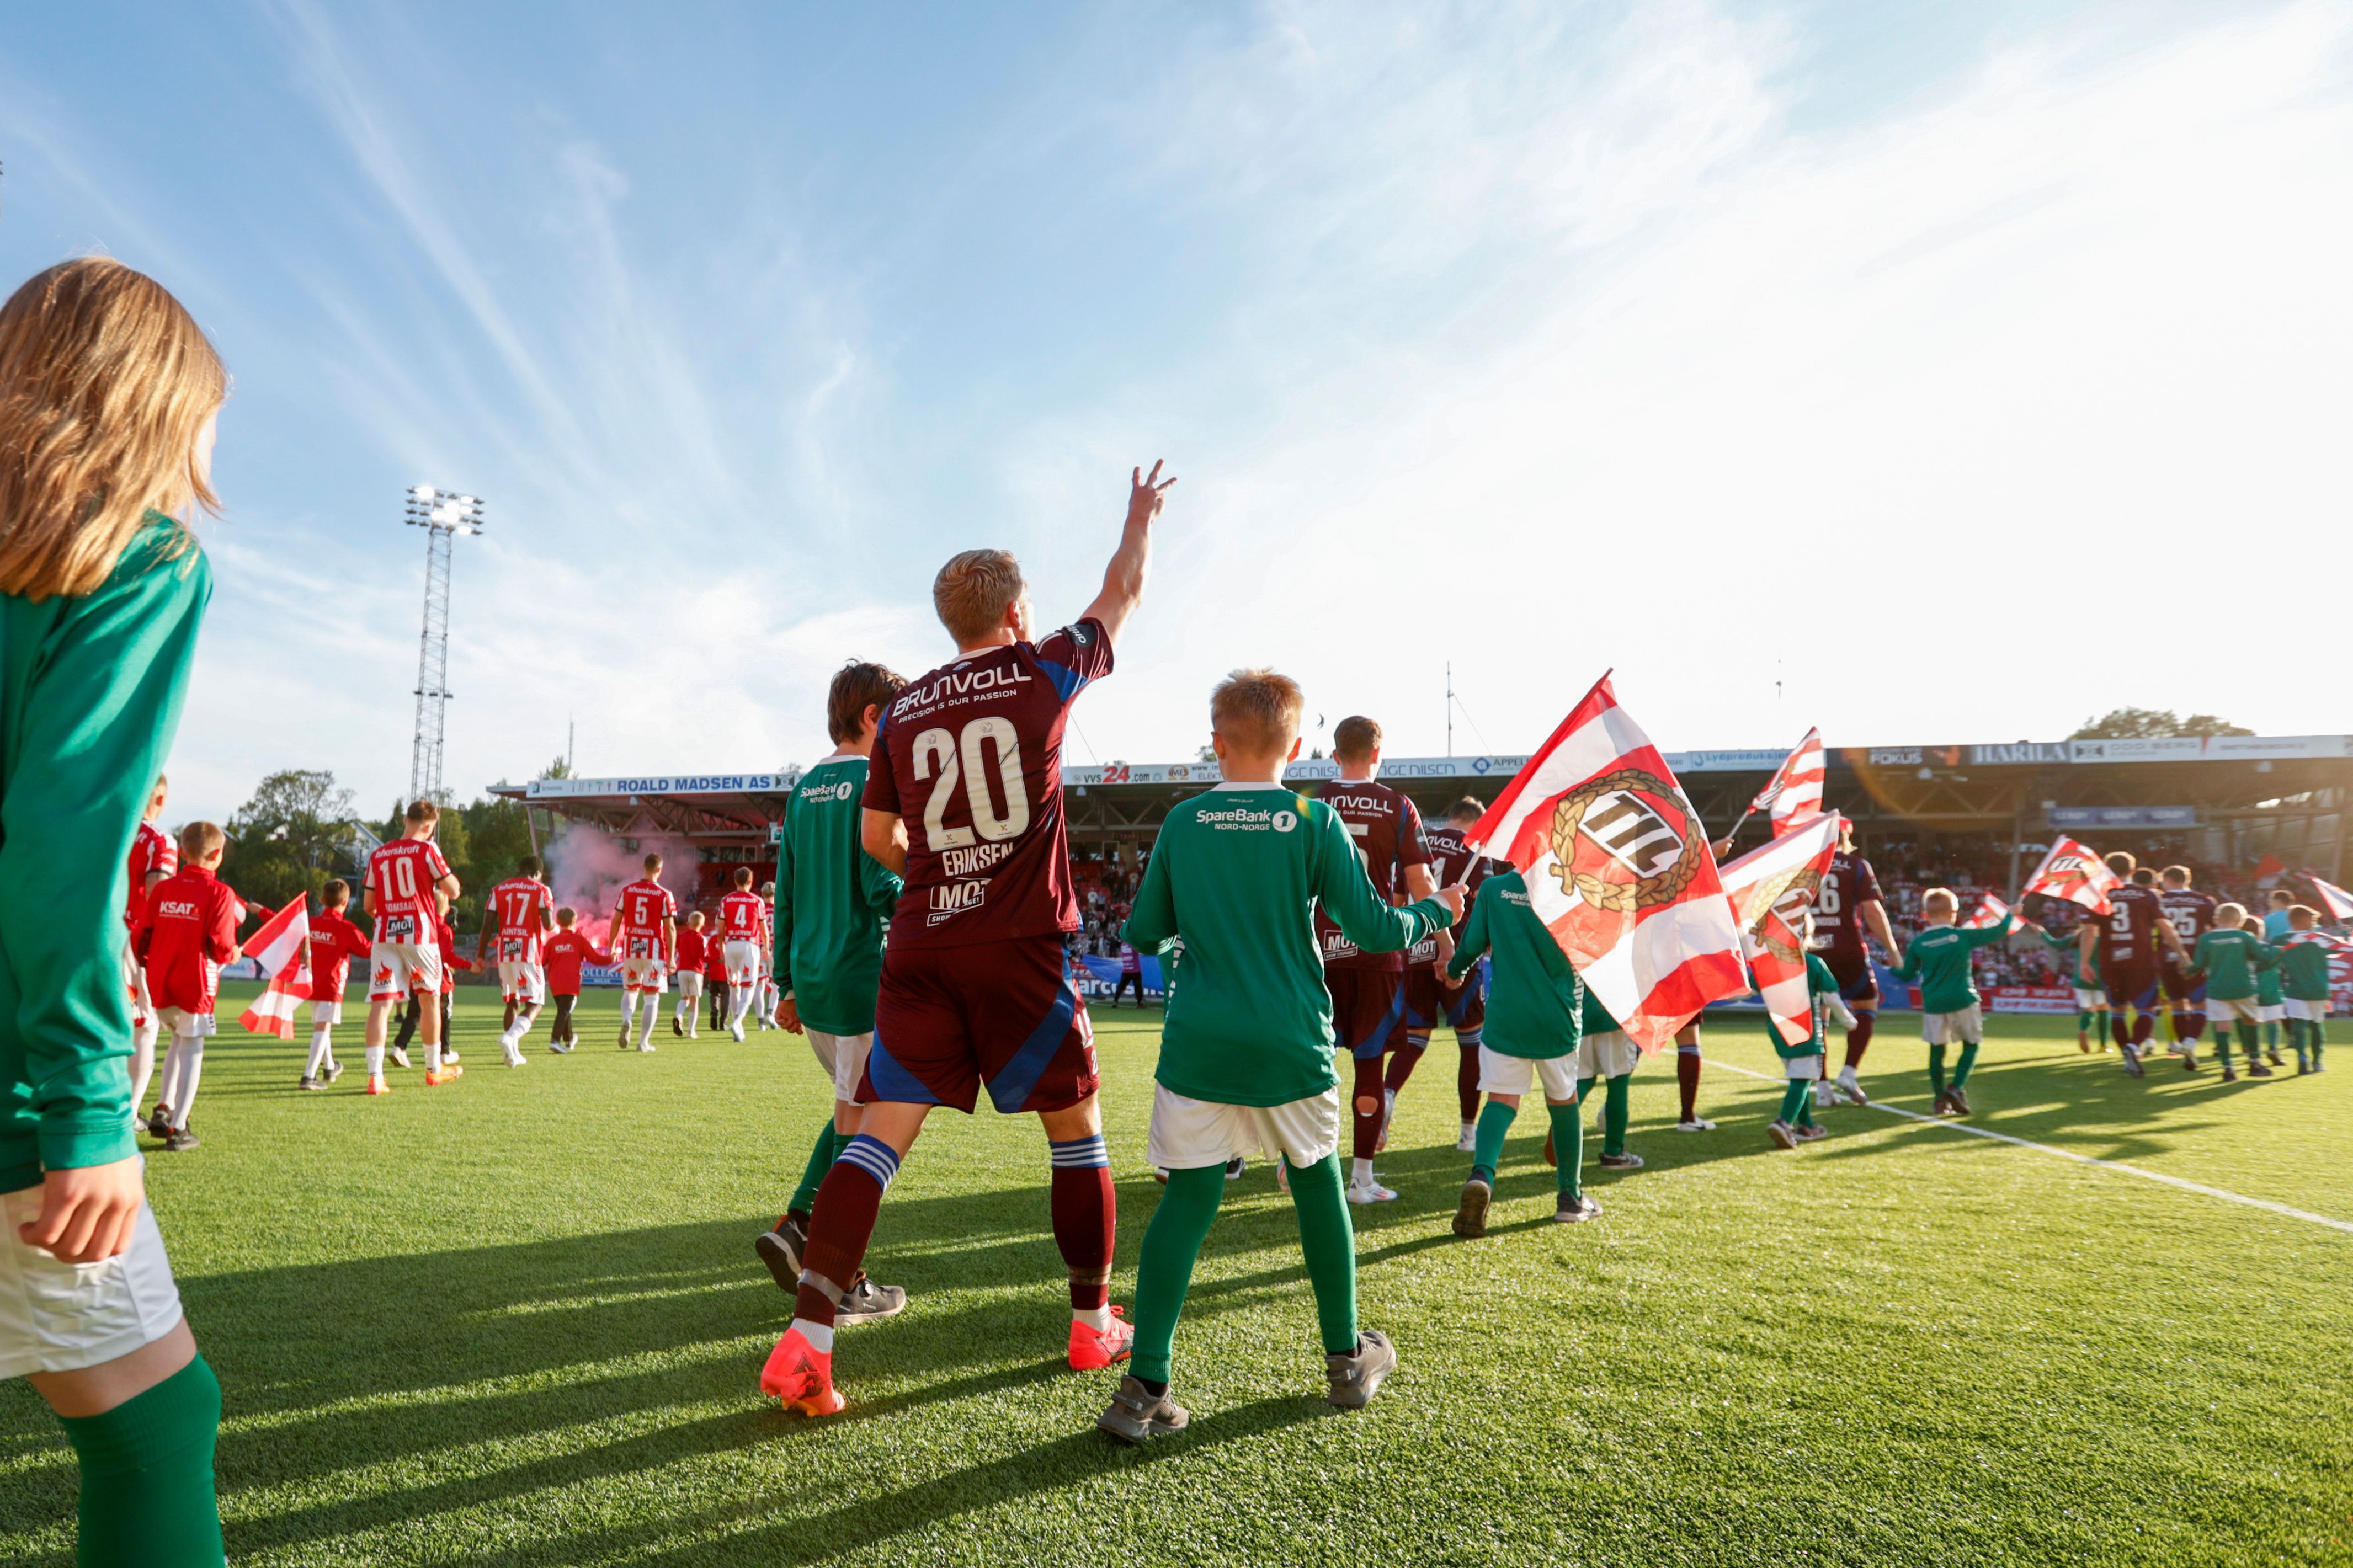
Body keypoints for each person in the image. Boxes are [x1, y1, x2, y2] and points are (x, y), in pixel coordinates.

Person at [762, 461, 1175, 1418]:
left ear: (949, 621)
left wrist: (942, 874)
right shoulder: (1040, 667)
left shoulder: (903, 709)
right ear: (1017, 611)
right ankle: (1090, 1321)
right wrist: (1139, 517)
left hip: (920, 945)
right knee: (1075, 1130)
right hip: (1019, 942)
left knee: (875, 1134)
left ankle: (809, 1338)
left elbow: (878, 837)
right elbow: (1123, 591)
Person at [0, 255, 226, 1560]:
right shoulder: (134, 556)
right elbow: (54, 847)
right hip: (16, 1081)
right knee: (155, 1425)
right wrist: (89, 1105)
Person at [1095, 668, 1455, 1442]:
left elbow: (1144, 932)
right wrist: (1435, 910)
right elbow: (1376, 928)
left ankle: (1144, 1386)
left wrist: (1199, 928)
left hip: (1201, 1039)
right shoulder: (1312, 819)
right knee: (1317, 1184)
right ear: (1295, 748)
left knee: (1188, 1200)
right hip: (1291, 1036)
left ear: (1216, 742)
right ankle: (1346, 1361)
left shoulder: (1183, 821)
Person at [756, 660, 909, 1330]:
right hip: (859, 976)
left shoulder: (804, 788)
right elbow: (881, 887)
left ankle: (804, 1231)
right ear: (873, 717)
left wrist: (786, 984)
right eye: (898, 718)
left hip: (815, 981)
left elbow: (785, 892)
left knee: (856, 1111)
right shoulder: (875, 781)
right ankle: (832, 1269)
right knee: (867, 1128)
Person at [1314, 716, 1439, 1203]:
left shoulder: (1311, 803)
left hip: (1317, 952)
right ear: (1377, 753)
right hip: (1378, 951)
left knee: (1312, 1060)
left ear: (1334, 754)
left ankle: (1297, 1160)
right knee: (1369, 1066)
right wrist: (1446, 943)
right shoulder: (1398, 805)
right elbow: (1421, 884)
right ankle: (1361, 1180)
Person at [1444, 858, 1590, 1236]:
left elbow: (1471, 945)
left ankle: (1482, 1176)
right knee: (1564, 1101)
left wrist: (1454, 971)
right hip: (1557, 1015)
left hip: (1506, 1016)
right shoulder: (1576, 887)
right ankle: (1570, 1198)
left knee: (1501, 1099)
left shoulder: (1494, 889)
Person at [136, 823, 246, 1151]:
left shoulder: (163, 890)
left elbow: (142, 935)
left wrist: (148, 964)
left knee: (176, 1040)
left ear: (182, 853)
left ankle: (164, 1107)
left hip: (161, 982)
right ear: (219, 855)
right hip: (196, 984)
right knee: (192, 1048)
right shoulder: (220, 893)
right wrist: (233, 953)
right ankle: (179, 1126)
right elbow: (221, 944)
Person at [1392, 796, 1492, 1153]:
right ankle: (1468, 1133)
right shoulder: (1476, 851)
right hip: (1457, 955)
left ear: (1451, 816)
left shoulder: (1419, 841)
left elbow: (1397, 902)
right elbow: (1483, 908)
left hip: (1413, 951)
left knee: (1414, 1038)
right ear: (1476, 822)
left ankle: (1386, 1096)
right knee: (1471, 1042)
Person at [364, 801, 462, 1090]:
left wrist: (391, 916)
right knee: (429, 1000)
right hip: (419, 934)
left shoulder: (378, 854)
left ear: (405, 820)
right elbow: (453, 891)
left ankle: (375, 1077)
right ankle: (434, 1069)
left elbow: (369, 905)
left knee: (381, 1005)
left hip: (385, 934)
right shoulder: (428, 849)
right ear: (430, 827)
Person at [1893, 888, 2013, 1115]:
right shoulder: (1962, 936)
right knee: (1972, 1044)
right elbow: (1999, 931)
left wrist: (1891, 968)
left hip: (1934, 1003)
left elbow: (1907, 975)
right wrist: (2011, 915)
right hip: (1962, 999)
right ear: (1953, 913)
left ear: (1925, 915)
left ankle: (1939, 1101)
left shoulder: (1919, 943)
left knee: (1937, 1050)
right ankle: (1956, 1087)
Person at [1807, 824, 1903, 1106]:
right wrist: (1893, 951)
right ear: (1846, 838)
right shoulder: (1856, 865)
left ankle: (1822, 1088)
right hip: (1848, 949)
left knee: (1818, 1018)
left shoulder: (1802, 865)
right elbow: (1872, 911)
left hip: (1811, 950)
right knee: (1866, 1004)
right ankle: (1849, 1073)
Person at [2083, 856, 2189, 1076]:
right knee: (2147, 1009)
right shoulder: (2146, 895)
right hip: (2141, 960)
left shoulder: (2098, 894)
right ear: (2132, 871)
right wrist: (2182, 954)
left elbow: (2090, 931)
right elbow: (2165, 926)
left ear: (2106, 870)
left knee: (2117, 1011)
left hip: (2110, 961)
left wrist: (2084, 962)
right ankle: (2133, 1047)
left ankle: (2127, 1057)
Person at [1766, 928, 1857, 1148]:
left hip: (1778, 1028)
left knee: (1800, 1076)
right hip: (1805, 1027)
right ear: (1807, 934)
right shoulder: (1814, 963)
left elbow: (1749, 988)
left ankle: (1806, 1124)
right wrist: (1848, 1021)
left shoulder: (1772, 963)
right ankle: (1784, 1122)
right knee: (1802, 1078)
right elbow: (1831, 998)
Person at [123, 774, 176, 1132]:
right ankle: (128, 1114)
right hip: (133, 939)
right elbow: (159, 889)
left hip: (89, 934)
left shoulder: (107, 831)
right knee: (145, 1025)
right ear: (160, 800)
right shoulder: (160, 840)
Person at [480, 855, 555, 1064]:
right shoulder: (541, 890)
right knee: (535, 1003)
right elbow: (548, 925)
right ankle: (510, 1038)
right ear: (537, 873)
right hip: (528, 951)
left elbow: (487, 925)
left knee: (512, 1001)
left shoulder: (499, 889)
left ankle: (511, 1053)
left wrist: (481, 955)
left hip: (505, 950)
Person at [2191, 903, 2277, 1081]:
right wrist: (2278, 952)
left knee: (2223, 1026)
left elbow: (2198, 965)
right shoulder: (2245, 936)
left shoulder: (2205, 939)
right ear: (2240, 921)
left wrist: (2186, 970)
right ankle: (2254, 1063)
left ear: (2216, 920)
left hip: (2217, 989)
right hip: (2244, 988)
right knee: (2251, 1021)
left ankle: (2228, 1068)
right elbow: (2262, 957)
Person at [301, 879, 374, 1089]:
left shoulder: (310, 923)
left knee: (323, 1025)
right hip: (331, 985)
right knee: (323, 1027)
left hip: (311, 984)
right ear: (346, 903)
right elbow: (367, 950)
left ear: (322, 900)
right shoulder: (345, 928)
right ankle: (308, 1077)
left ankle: (329, 1067)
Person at [610, 854, 678, 1052]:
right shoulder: (664, 894)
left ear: (643, 867)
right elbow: (670, 928)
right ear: (659, 870)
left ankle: (627, 1018)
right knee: (652, 997)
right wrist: (671, 957)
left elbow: (616, 920)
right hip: (653, 951)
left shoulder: (627, 890)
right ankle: (643, 1043)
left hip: (632, 947)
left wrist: (612, 946)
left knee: (631, 990)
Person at [2157, 866, 2218, 1053]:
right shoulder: (2204, 901)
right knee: (2199, 1004)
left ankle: (2184, 1043)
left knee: (2177, 1004)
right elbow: (2215, 930)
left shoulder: (2159, 900)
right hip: (2195, 959)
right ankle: (2190, 1043)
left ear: (2168, 880)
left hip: (2166, 958)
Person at [2032, 908, 2107, 1053]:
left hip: (2081, 979)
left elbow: (2055, 944)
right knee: (2104, 1009)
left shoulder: (2077, 938)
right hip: (2100, 979)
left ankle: (2083, 1030)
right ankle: (2103, 1045)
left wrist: (2042, 932)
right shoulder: (2103, 940)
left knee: (2088, 1009)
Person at [2274, 905, 2336, 1073]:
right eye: (2313, 919)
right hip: (2318, 989)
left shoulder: (2281, 940)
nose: (2315, 923)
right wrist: (2346, 933)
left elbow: (2268, 955)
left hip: (2295, 989)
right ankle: (2317, 1062)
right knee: (2316, 1025)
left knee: (2299, 1024)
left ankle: (2302, 1058)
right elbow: (2341, 947)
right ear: (2305, 920)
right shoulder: (2320, 939)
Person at [540, 908, 607, 1054]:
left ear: (557, 921)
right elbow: (595, 959)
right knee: (565, 1011)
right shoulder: (579, 940)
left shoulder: (552, 942)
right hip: (570, 982)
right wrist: (611, 958)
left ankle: (569, 1040)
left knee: (564, 1010)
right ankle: (555, 1040)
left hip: (555, 982)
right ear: (574, 921)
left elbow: (541, 961)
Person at [717, 865, 769, 1042]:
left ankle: (737, 1025)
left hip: (731, 945)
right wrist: (766, 948)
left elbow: (720, 930)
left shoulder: (726, 900)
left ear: (735, 881)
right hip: (749, 946)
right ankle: (738, 1021)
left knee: (734, 986)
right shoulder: (757, 901)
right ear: (751, 881)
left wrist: (722, 949)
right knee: (749, 987)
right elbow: (764, 930)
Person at [673, 911, 709, 1038]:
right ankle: (691, 1031)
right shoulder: (702, 939)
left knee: (685, 998)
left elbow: (674, 949)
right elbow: (705, 956)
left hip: (682, 970)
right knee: (694, 1000)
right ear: (702, 925)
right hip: (696, 972)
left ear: (688, 923)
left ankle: (679, 1015)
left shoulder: (682, 936)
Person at [1111, 941, 1147, 1007]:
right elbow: (1142, 952)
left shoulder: (1123, 945)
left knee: (1121, 987)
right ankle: (1140, 1003)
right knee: (1138, 987)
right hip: (1135, 970)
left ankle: (1115, 1001)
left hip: (1126, 970)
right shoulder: (1133, 944)